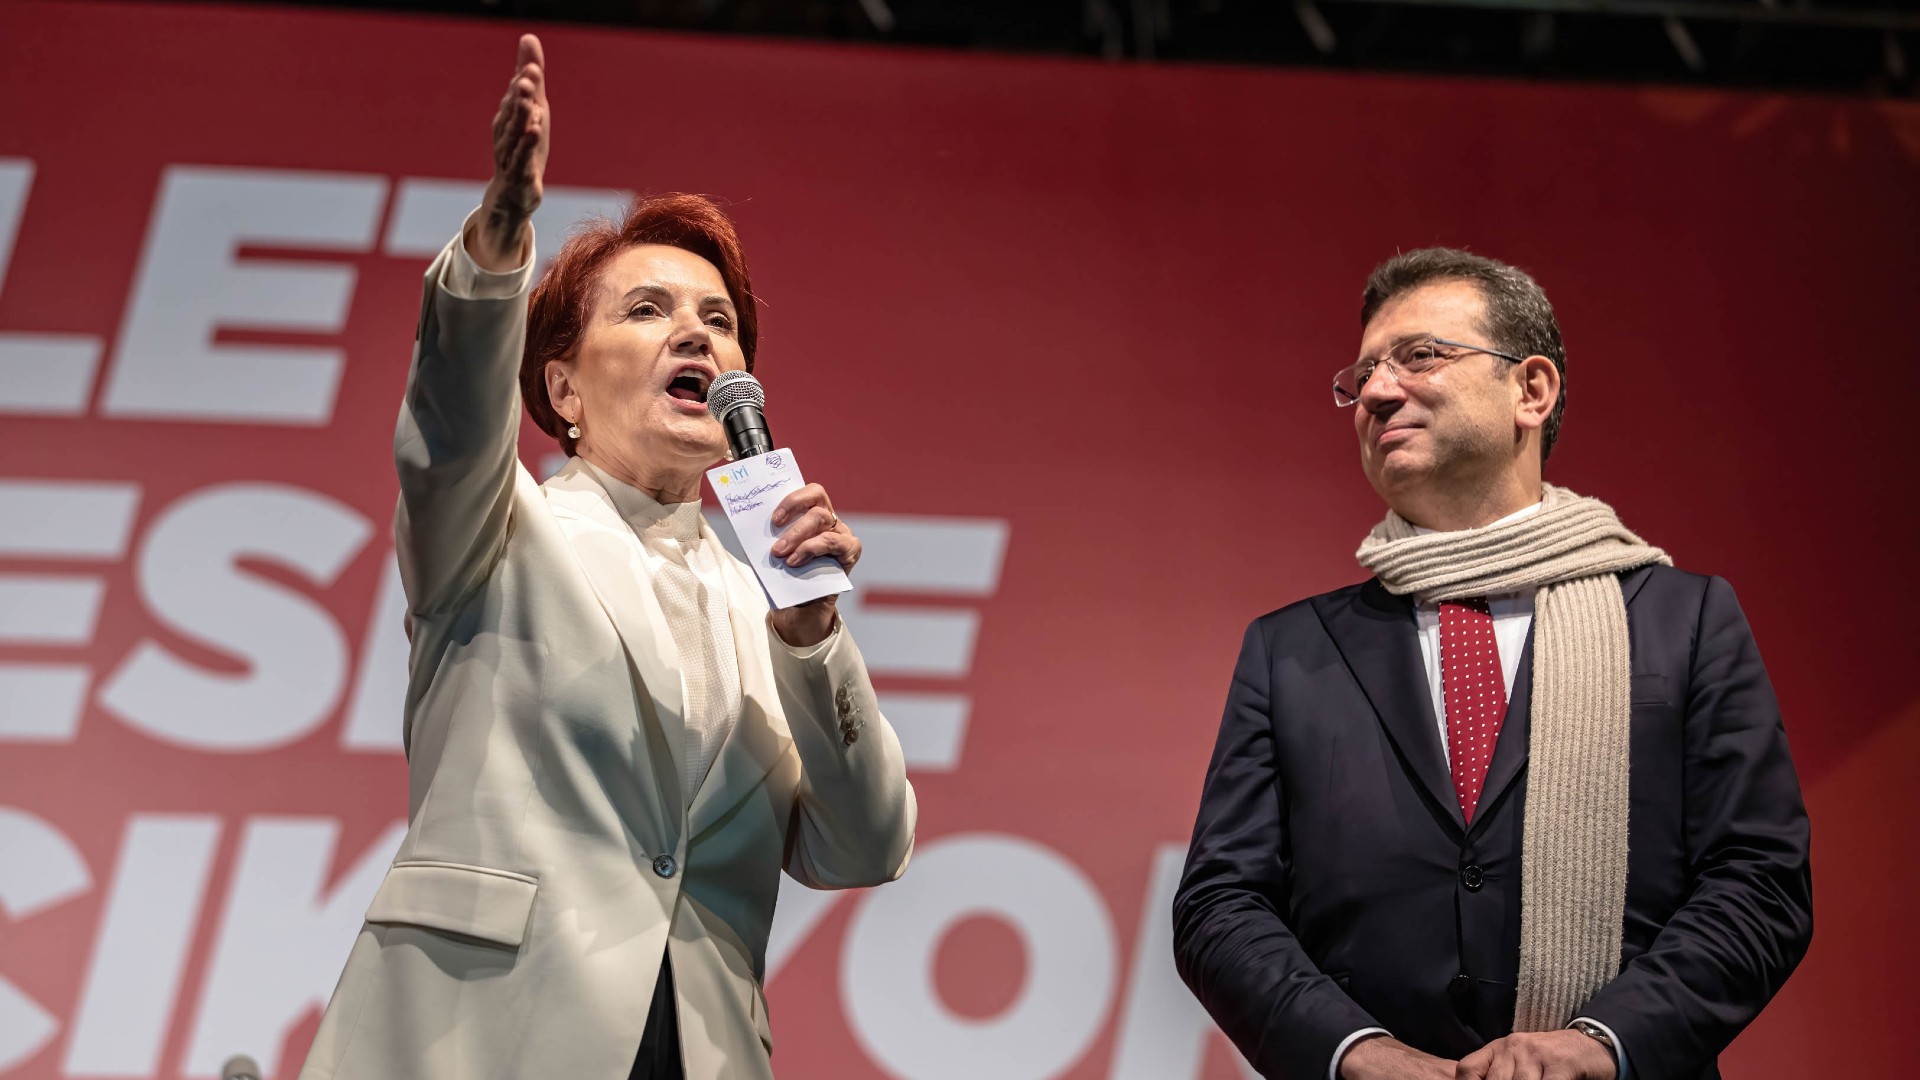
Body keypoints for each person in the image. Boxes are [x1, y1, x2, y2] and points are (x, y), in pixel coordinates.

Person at [300, 34, 915, 1080]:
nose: (699, 337)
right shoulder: (498, 532)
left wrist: (813, 638)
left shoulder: (764, 599)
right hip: (483, 1043)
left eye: (720, 321)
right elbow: (451, 424)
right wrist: (499, 242)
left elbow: (864, 847)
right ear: (564, 390)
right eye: (648, 310)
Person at [1171, 248, 1811, 1080]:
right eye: (1362, 376)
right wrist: (1356, 1054)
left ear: (1531, 390)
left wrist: (1600, 1044)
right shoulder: (1291, 650)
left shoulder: (1681, 622)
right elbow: (1220, 906)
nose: (1376, 391)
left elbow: (1759, 882)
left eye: (1420, 355)